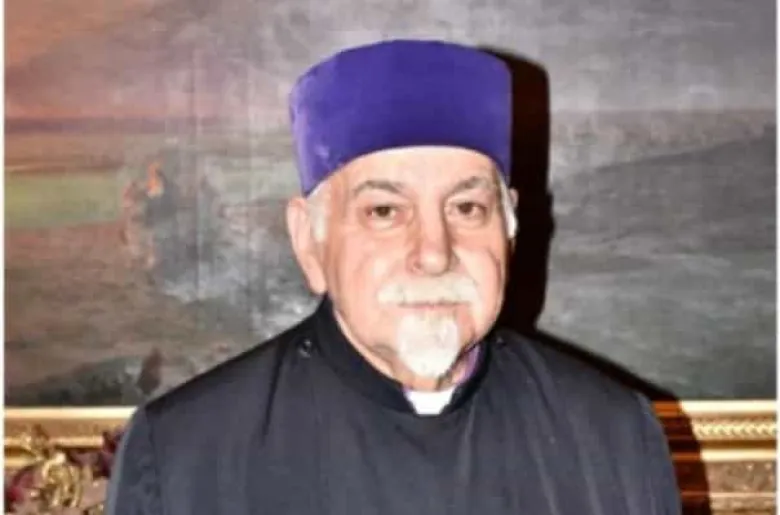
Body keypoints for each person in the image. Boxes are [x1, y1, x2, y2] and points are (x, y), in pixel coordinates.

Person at [105, 39, 682, 514]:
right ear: (310, 241)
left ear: (509, 229)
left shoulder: (614, 437)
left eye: (467, 208)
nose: (433, 254)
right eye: (385, 211)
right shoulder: (182, 455)